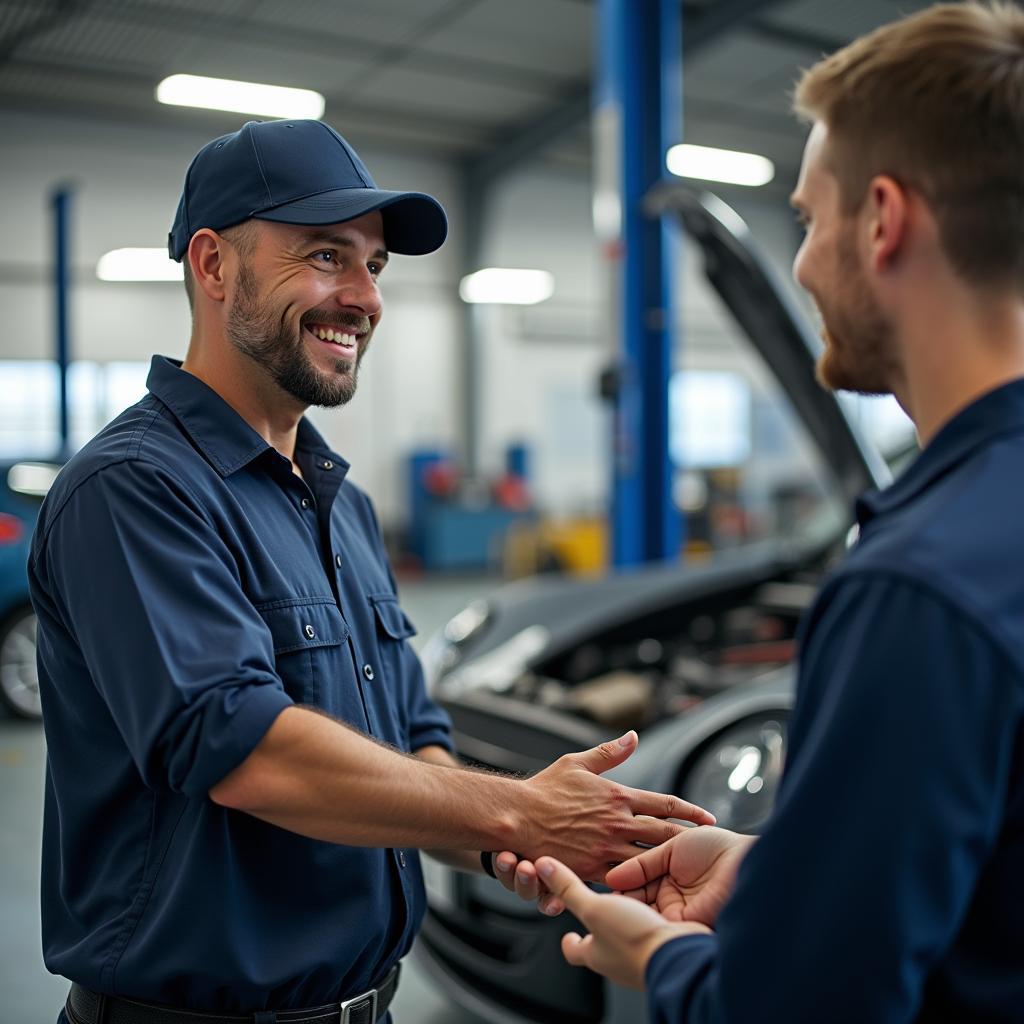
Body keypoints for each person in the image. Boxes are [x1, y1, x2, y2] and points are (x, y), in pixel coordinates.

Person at [29, 118, 714, 1024]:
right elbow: (242, 747)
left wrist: (536, 837)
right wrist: (514, 814)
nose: (363, 297)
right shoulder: (134, 491)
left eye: (376, 266)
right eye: (324, 256)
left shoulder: (339, 506)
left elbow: (412, 732)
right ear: (212, 264)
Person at [505, 3, 1024, 1021]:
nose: (799, 263)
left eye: (807, 217)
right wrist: (794, 867)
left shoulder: (915, 588)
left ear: (883, 220)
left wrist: (659, 959)